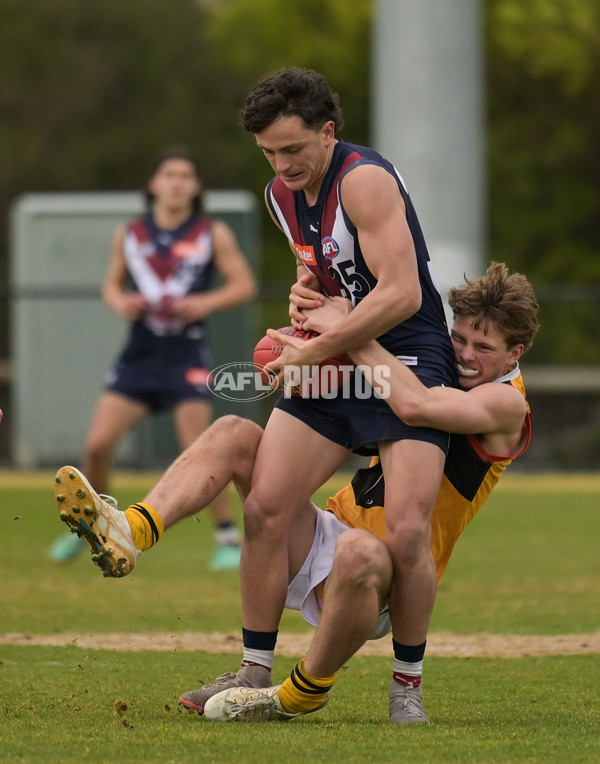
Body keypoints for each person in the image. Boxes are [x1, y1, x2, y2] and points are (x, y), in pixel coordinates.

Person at [53, 263, 539, 722]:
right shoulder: (437, 365)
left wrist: (350, 330)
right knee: (233, 433)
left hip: (386, 573)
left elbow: (414, 403)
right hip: (326, 534)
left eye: (484, 346)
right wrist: (304, 348)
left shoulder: (505, 404)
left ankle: (305, 691)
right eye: (459, 338)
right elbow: (362, 391)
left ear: (515, 354)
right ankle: (133, 530)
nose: (465, 355)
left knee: (357, 550)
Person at [231, 66, 457, 722]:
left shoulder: (363, 179)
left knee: (409, 530)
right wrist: (302, 307)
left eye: (294, 149)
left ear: (328, 133)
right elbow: (321, 273)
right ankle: (252, 669)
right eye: (269, 152)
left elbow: (401, 294)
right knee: (266, 508)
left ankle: (406, 684)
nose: (282, 164)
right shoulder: (281, 193)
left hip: (407, 352)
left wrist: (317, 346)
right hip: (334, 351)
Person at [49, 145, 257, 571]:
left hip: (186, 353)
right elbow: (110, 286)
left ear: (196, 186)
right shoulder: (130, 234)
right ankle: (94, 526)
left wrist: (204, 302)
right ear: (154, 184)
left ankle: (227, 539)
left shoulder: (211, 233)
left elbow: (243, 285)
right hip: (140, 355)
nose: (177, 182)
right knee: (97, 445)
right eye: (169, 174)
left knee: (200, 449)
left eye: (185, 175)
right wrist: (120, 302)